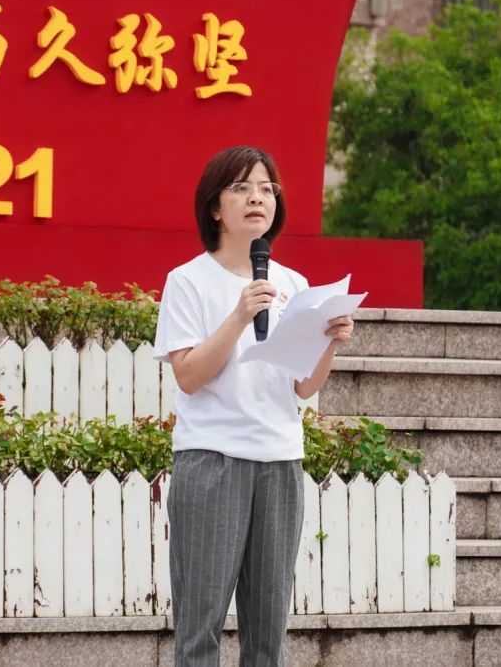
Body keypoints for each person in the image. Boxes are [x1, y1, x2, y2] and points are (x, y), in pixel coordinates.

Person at [153, 145, 354, 666]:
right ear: (215, 208)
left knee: (268, 635)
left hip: (280, 462)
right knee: (200, 629)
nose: (257, 198)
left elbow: (303, 388)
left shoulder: (294, 285)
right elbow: (189, 376)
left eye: (267, 189)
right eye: (241, 188)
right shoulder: (188, 280)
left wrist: (330, 342)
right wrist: (239, 316)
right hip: (212, 461)